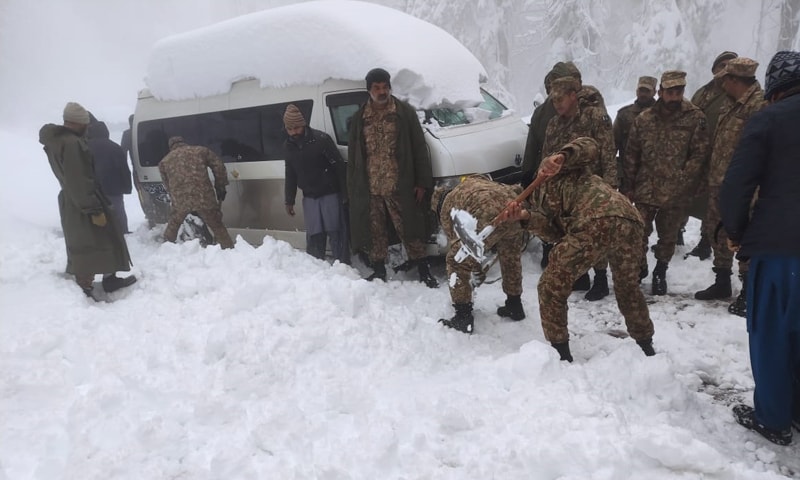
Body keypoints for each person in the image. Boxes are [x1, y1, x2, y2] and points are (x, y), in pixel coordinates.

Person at [500, 137, 655, 361]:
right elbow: (556, 233)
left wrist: (562, 156)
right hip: (628, 220)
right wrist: (525, 217)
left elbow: (590, 146)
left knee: (550, 287)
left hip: (597, 218)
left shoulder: (549, 172)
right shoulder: (536, 203)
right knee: (627, 288)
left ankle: (561, 356)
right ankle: (647, 349)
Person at [722, 50, 800, 447]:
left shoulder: (768, 120)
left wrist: (737, 233)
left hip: (780, 249)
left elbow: (736, 185)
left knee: (772, 332)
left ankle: (774, 418)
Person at [347, 67, 437, 288]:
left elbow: (419, 149)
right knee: (375, 231)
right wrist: (354, 189)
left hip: (400, 185)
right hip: (371, 188)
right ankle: (379, 270)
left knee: (410, 228)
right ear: (369, 90)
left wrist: (422, 182)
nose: (382, 91)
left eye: (385, 86)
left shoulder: (403, 113)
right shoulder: (360, 118)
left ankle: (424, 269)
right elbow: (354, 157)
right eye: (377, 88)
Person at [622, 70, 709, 295]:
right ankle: (639, 265)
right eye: (669, 91)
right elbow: (632, 153)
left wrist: (685, 179)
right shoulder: (645, 119)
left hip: (676, 190)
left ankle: (660, 270)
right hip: (646, 187)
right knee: (637, 231)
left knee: (668, 236)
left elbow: (699, 154)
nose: (674, 96)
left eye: (678, 91)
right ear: (660, 92)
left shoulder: (695, 118)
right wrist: (629, 185)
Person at [39, 102, 136, 298]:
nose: (88, 127)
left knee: (92, 240)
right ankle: (85, 287)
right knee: (91, 242)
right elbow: (79, 180)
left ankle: (106, 279)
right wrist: (94, 209)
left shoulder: (58, 142)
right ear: (78, 123)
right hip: (82, 201)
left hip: (73, 200)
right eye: (85, 123)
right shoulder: (72, 144)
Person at [694, 58, 766, 318]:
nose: (721, 83)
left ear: (735, 80)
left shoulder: (759, 106)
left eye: (725, 79)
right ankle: (722, 279)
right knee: (718, 230)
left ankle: (748, 290)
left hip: (746, 187)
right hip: (719, 183)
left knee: (744, 235)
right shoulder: (728, 105)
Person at [541, 75, 616, 300]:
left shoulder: (594, 117)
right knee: (572, 232)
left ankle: (601, 279)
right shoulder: (554, 124)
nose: (557, 105)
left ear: (573, 96)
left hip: (594, 188)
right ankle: (580, 275)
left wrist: (611, 187)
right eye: (553, 101)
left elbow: (608, 153)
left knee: (596, 232)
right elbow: (547, 155)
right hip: (566, 191)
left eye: (560, 99)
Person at [432, 176, 526, 334]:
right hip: (513, 205)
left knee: (456, 261)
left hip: (489, 212)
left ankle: (463, 317)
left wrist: (472, 275)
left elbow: (462, 251)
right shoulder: (469, 184)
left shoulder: (447, 206)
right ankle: (514, 305)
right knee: (510, 257)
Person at [685, 51, 739, 259]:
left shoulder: (737, 93)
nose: (724, 68)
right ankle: (678, 232)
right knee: (695, 196)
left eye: (729, 65)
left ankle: (708, 240)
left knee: (716, 202)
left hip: (725, 157)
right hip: (701, 154)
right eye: (721, 65)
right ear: (714, 69)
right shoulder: (703, 92)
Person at [283, 104, 350, 264]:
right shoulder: (288, 146)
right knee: (314, 235)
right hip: (309, 197)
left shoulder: (321, 140)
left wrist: (345, 194)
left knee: (336, 233)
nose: (294, 132)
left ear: (303, 124)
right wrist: (289, 200)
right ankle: (315, 268)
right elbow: (290, 174)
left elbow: (339, 166)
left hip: (330, 194)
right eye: (290, 129)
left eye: (297, 127)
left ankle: (343, 266)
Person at [158, 136, 234, 249]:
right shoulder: (201, 151)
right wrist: (220, 186)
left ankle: (166, 248)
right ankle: (228, 249)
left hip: (181, 200)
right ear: (183, 142)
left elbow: (167, 184)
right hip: (204, 197)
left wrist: (176, 197)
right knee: (217, 225)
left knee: (173, 225)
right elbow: (218, 166)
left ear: (171, 146)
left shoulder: (164, 161)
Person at [613, 75, 657, 192]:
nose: (643, 94)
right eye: (641, 90)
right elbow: (613, 145)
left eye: (647, 91)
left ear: (654, 92)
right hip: (627, 176)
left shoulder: (662, 115)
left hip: (653, 179)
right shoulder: (624, 114)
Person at [88, 121, 132, 234]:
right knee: (118, 212)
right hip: (114, 189)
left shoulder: (85, 148)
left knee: (98, 214)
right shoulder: (115, 147)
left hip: (94, 190)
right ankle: (123, 232)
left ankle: (101, 234)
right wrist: (127, 187)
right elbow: (124, 169)